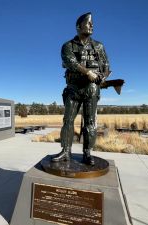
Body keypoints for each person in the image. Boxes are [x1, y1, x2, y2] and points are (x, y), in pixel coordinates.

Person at [52, 13, 111, 165]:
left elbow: (106, 66)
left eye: (92, 23)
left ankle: (87, 153)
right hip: (73, 88)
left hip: (91, 89)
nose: (92, 26)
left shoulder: (98, 46)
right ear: (79, 27)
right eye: (88, 23)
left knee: (90, 122)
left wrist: (102, 77)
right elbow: (70, 61)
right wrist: (88, 72)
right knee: (68, 120)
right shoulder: (68, 46)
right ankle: (66, 151)